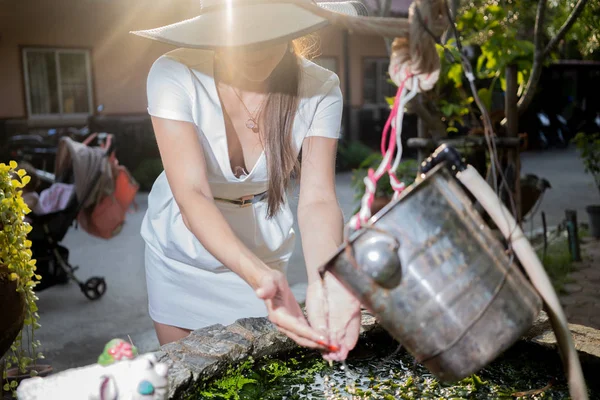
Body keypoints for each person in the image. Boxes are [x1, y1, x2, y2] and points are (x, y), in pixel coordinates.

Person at [131, 0, 406, 361]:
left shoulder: (321, 88)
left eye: (268, 32)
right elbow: (192, 195)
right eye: (240, 36)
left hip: (264, 251)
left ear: (292, 28)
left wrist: (325, 280)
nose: (255, 48)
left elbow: (318, 199)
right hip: (183, 255)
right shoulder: (173, 73)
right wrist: (261, 278)